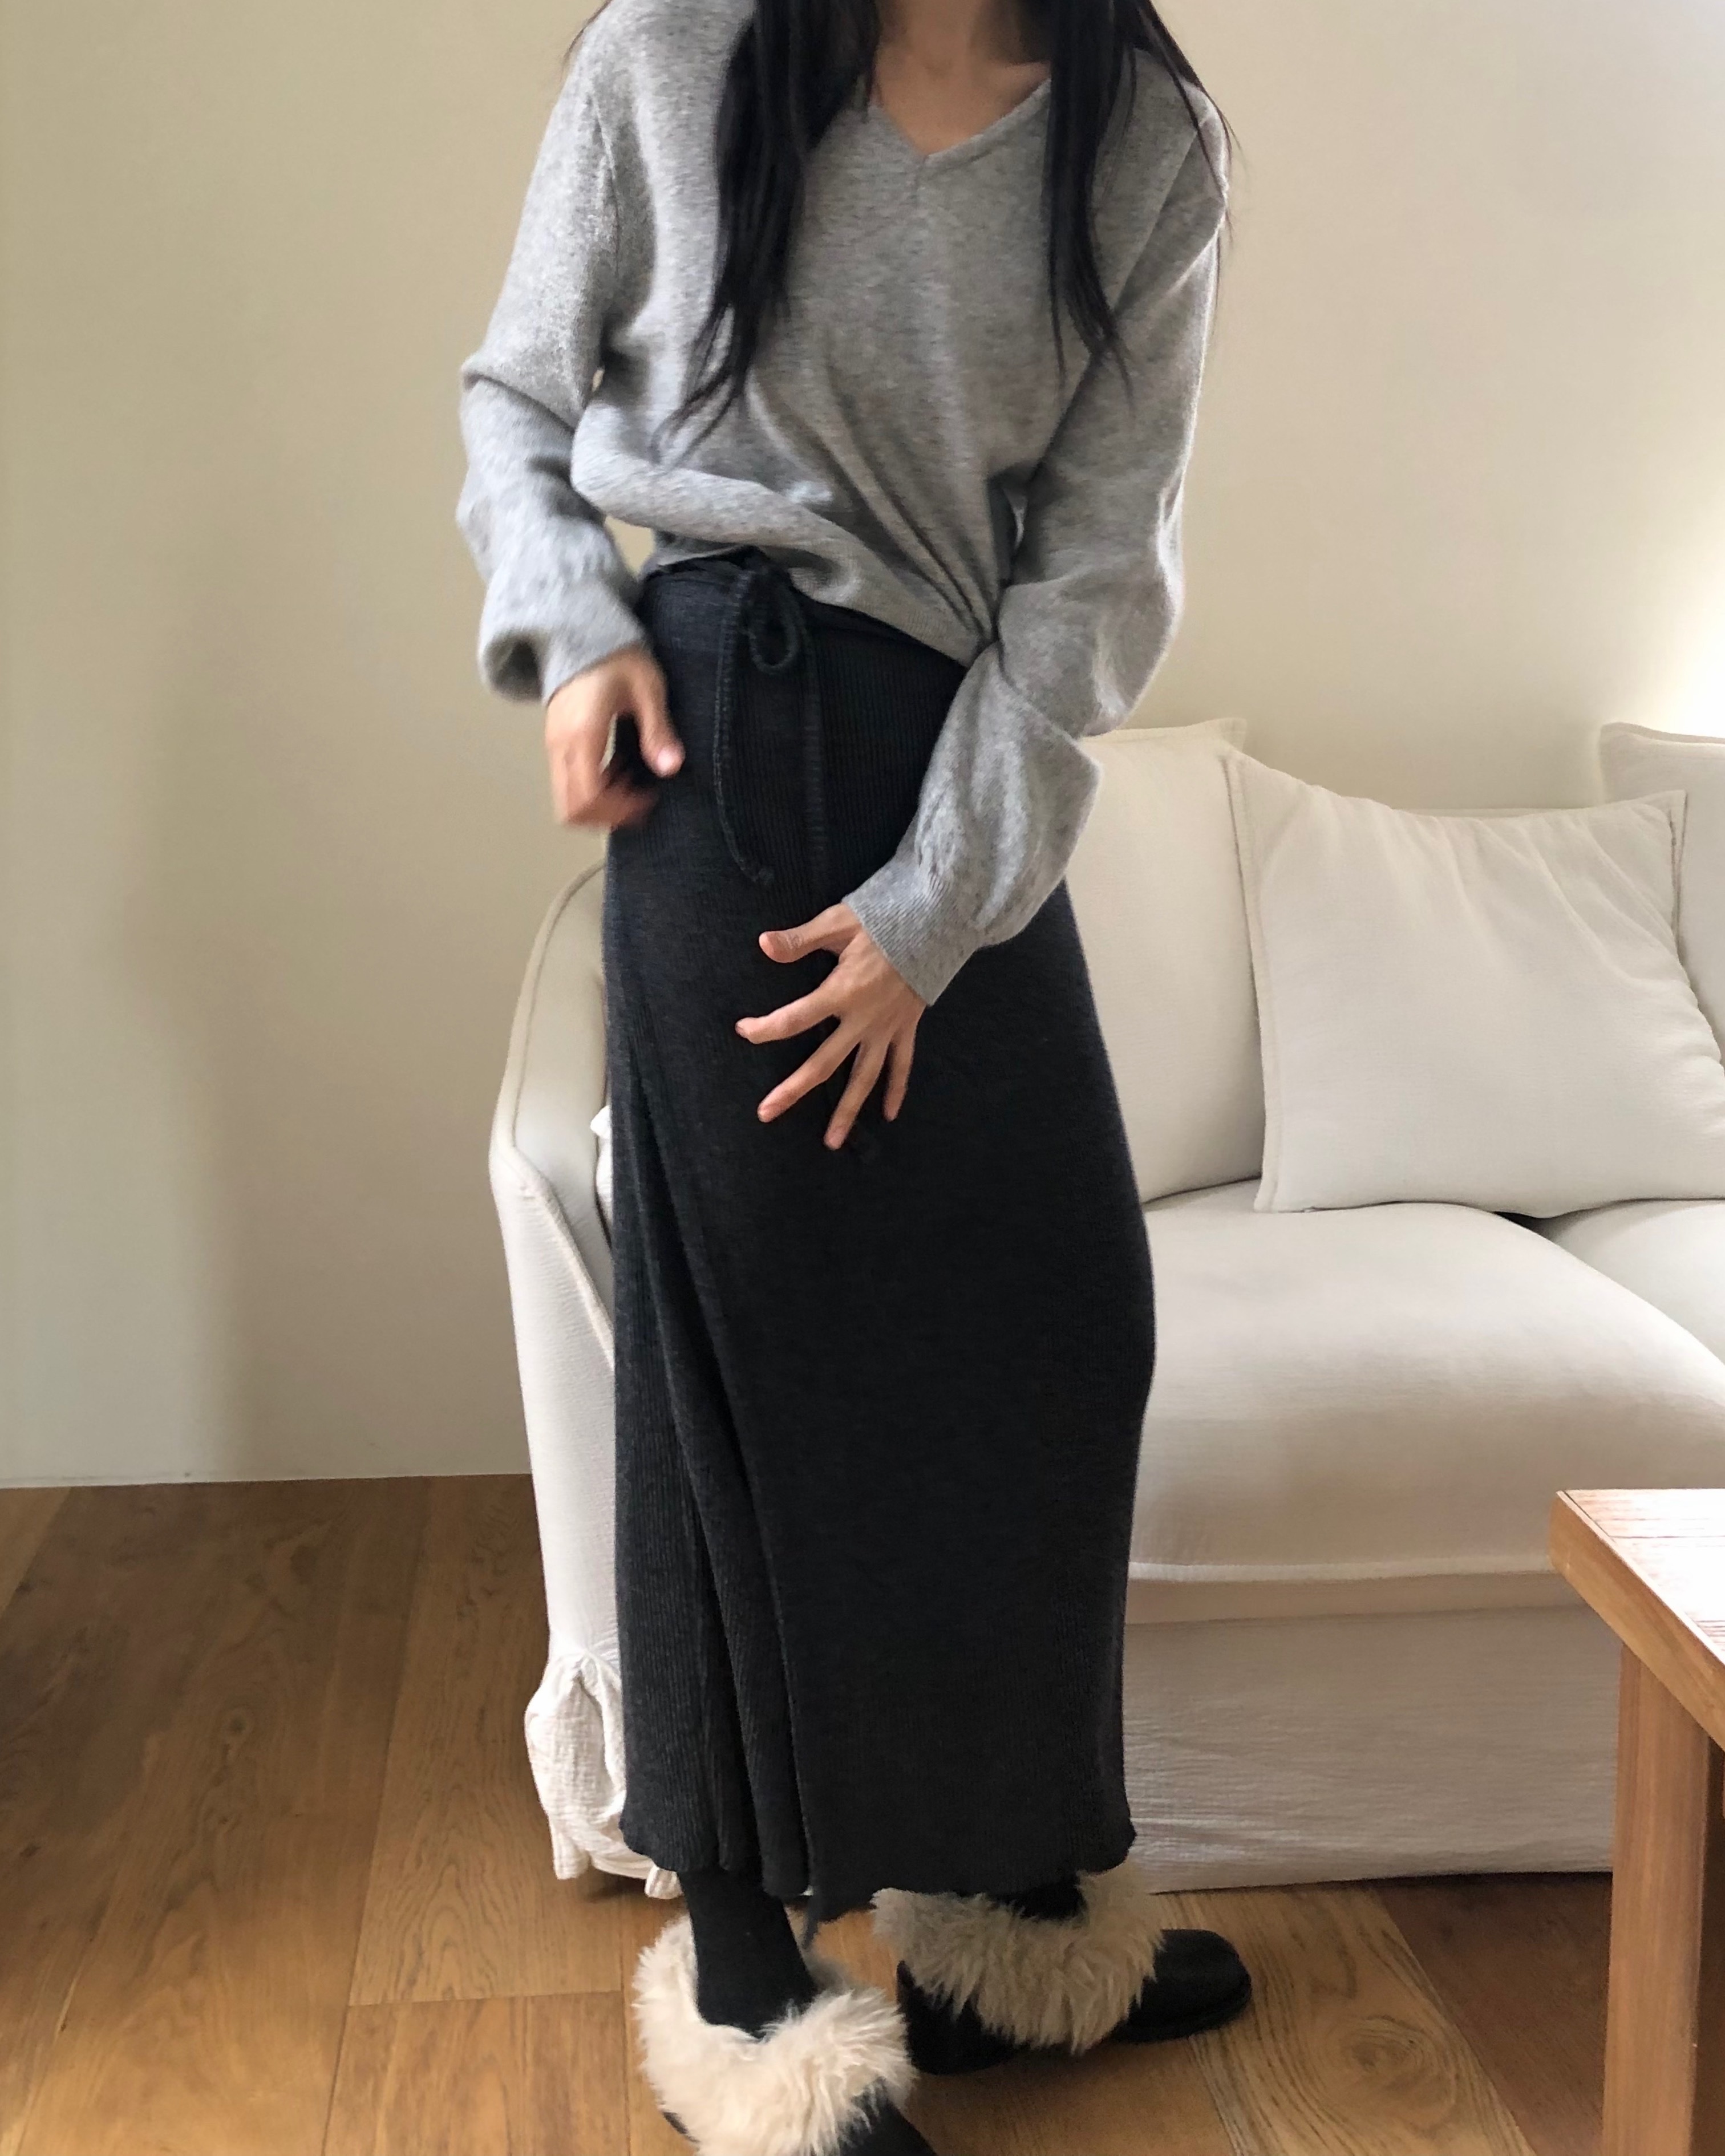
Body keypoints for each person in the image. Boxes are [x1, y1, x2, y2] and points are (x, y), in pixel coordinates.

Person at [458, 0, 1249, 2145]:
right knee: (746, 1345)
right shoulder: (676, 55)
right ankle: (742, 1969)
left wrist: (934, 902)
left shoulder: (1142, 142)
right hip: (717, 723)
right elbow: (518, 394)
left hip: (962, 767)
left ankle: (1006, 1905)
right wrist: (578, 625)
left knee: (1063, 1312)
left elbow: (1098, 562)